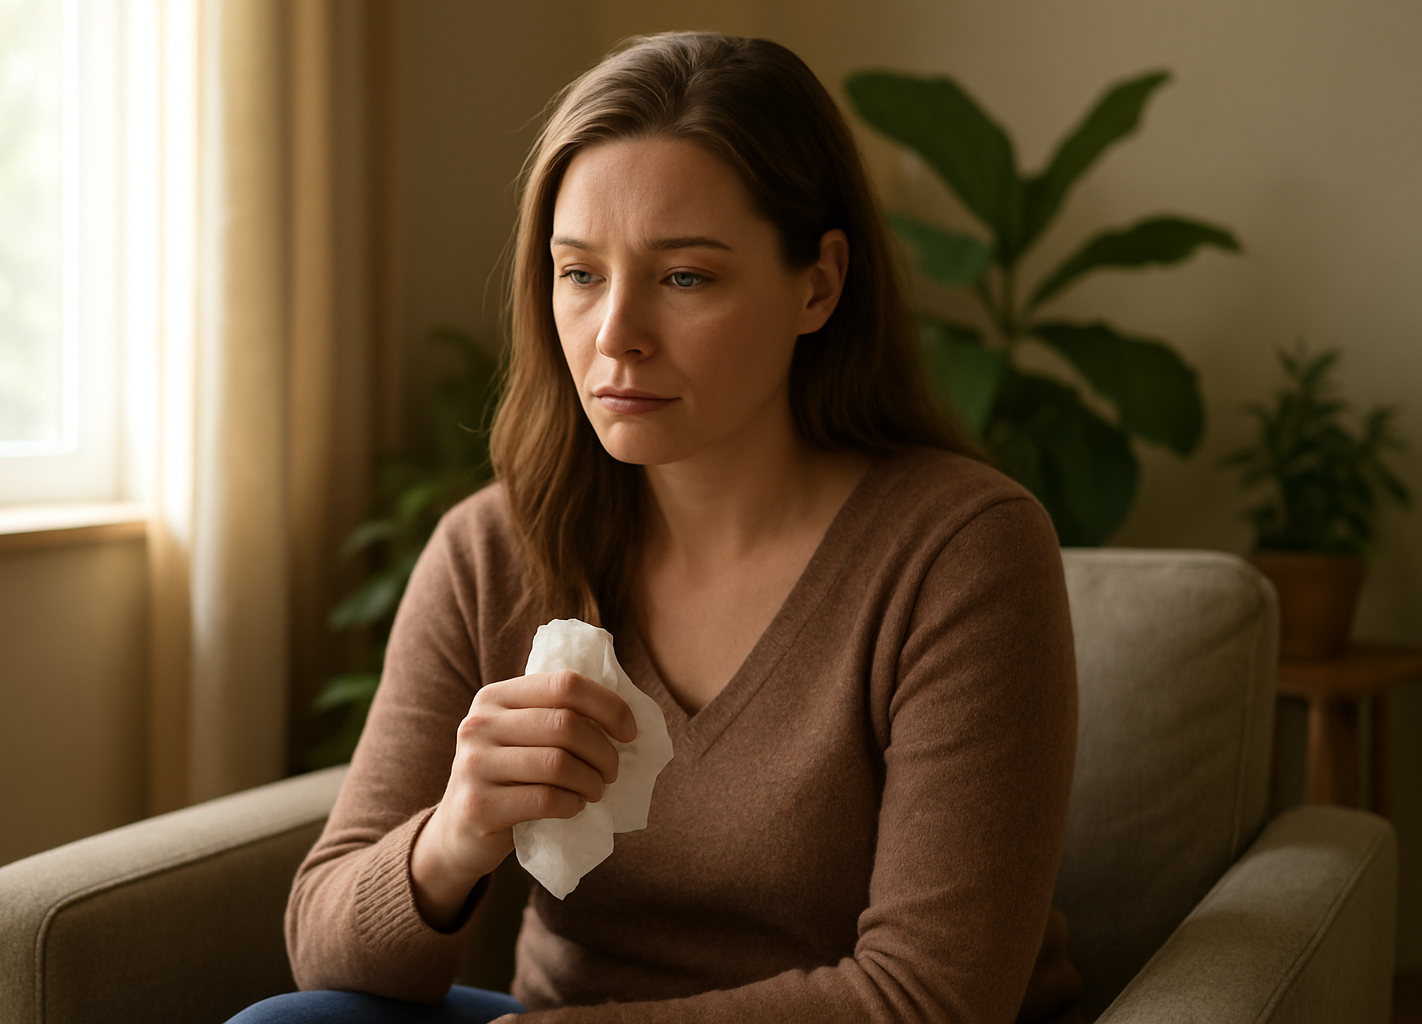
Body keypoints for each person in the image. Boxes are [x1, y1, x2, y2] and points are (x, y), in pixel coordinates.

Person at [231, 31, 1081, 1024]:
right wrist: (457, 830)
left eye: (685, 277)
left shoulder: (961, 552)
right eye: (580, 273)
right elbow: (322, 942)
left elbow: (932, 997)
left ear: (820, 284)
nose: (615, 334)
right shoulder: (490, 551)